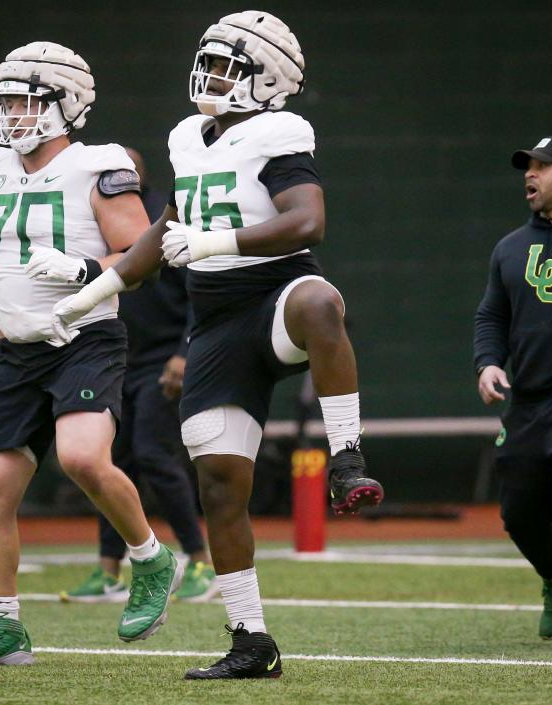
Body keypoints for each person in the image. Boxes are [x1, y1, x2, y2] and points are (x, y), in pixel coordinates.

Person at [50, 11, 383, 679]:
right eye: (211, 59)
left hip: (275, 295)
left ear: (268, 80)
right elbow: (166, 229)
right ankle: (251, 640)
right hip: (215, 323)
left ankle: (347, 453)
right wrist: (95, 288)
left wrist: (215, 244)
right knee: (221, 485)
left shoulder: (279, 133)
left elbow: (308, 220)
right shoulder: (188, 139)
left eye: (231, 64)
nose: (212, 74)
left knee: (322, 302)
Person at [0, 41, 183, 669]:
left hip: (83, 339)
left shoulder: (96, 165)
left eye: (24, 100)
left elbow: (140, 254)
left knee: (81, 457)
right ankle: (4, 627)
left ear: (66, 104)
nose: (11, 112)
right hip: (18, 350)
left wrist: (81, 268)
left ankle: (151, 559)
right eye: (5, 100)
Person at [61, 148, 217, 605]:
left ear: (138, 172)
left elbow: (197, 289)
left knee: (154, 453)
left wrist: (184, 352)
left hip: (161, 359)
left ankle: (201, 562)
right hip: (111, 355)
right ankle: (109, 571)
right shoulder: (90, 215)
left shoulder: (161, 219)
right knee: (110, 462)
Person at [474, 136, 552, 654]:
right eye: (527, 167)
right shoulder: (509, 246)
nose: (530, 174)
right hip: (528, 396)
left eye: (543, 166)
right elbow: (491, 315)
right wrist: (487, 363)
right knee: (520, 512)